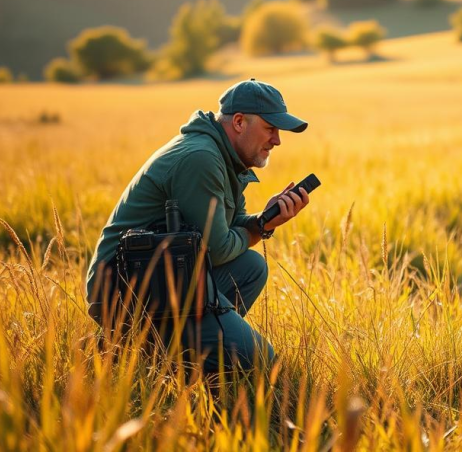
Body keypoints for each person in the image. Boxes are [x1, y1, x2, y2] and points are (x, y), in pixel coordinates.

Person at [85, 78, 310, 372]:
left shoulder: (223, 155)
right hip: (125, 292)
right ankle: (134, 347)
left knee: (251, 267)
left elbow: (228, 226)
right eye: (270, 128)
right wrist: (257, 229)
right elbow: (217, 249)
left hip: (167, 278)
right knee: (262, 363)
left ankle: (171, 354)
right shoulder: (201, 158)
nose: (277, 140)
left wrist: (265, 219)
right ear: (239, 122)